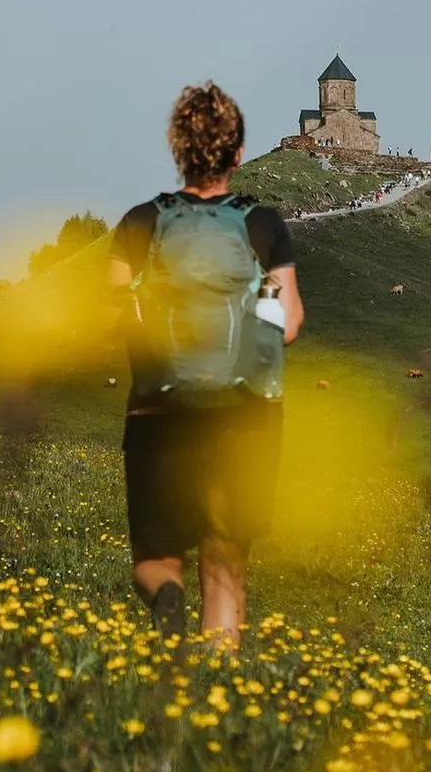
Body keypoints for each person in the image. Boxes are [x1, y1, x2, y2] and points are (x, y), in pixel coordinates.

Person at [107, 82, 304, 650]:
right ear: (238, 154)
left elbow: (112, 313)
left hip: (159, 409)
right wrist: (253, 305)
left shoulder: (139, 222)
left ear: (178, 150)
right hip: (245, 414)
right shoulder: (261, 225)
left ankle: (167, 601)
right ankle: (215, 692)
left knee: (155, 555)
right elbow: (288, 323)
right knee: (224, 558)